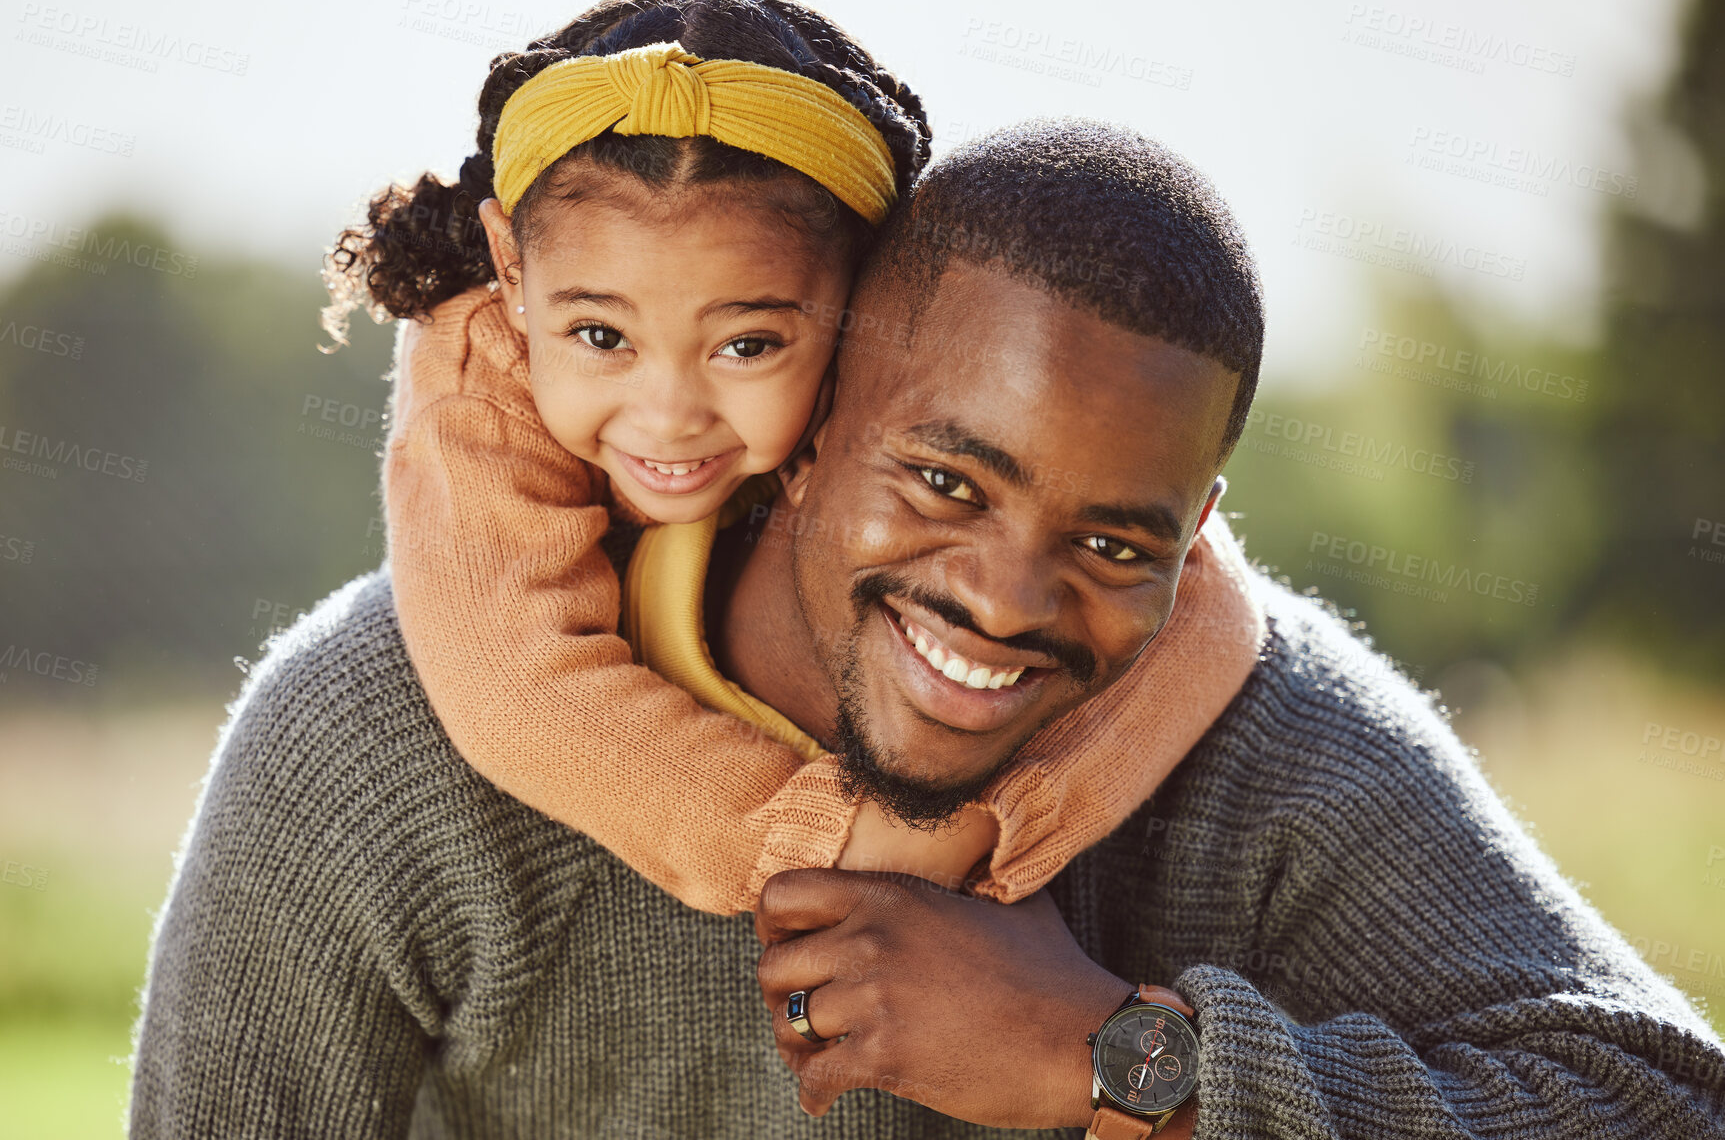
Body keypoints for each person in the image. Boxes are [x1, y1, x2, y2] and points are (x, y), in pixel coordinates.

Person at [127, 118, 1725, 1138]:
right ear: (813, 425)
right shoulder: (373, 743)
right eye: (947, 477)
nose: (1008, 598)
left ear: (1205, 527)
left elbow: (1660, 1107)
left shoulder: (1264, 742)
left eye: (1113, 537)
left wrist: (1120, 1060)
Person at [333, 0, 1261, 918]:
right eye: (602, 338)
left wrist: (998, 826)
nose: (667, 416)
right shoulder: (477, 380)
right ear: (511, 270)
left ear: (861, 299)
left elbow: (1210, 610)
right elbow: (516, 688)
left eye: (746, 346)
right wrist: (832, 847)